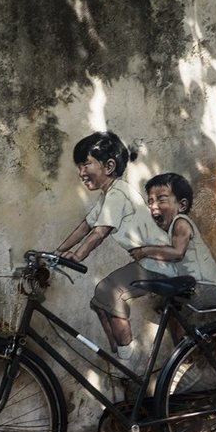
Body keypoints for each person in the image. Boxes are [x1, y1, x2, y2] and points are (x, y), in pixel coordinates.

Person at [54, 131, 176, 360]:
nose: (81, 173)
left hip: (159, 263)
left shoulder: (118, 193)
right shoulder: (108, 195)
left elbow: (99, 233)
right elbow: (85, 227)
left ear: (109, 166)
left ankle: (129, 361)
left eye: (86, 164)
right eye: (79, 166)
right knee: (99, 301)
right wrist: (56, 252)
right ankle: (117, 356)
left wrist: (77, 257)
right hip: (149, 262)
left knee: (109, 292)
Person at [130, 172, 216, 343]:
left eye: (161, 200)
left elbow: (177, 253)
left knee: (173, 308)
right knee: (170, 309)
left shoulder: (181, 222)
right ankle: (185, 351)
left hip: (207, 286)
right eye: (150, 201)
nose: (153, 207)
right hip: (199, 285)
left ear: (181, 205)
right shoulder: (172, 227)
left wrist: (145, 251)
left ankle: (189, 350)